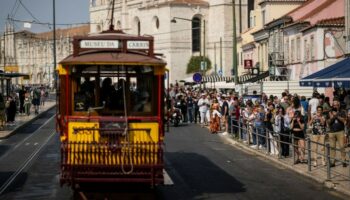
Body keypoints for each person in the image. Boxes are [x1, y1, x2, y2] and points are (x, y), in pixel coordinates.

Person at [327, 99, 348, 167]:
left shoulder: (342, 111)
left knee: (342, 146)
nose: (335, 106)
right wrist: (333, 116)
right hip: (332, 132)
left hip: (340, 131)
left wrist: (337, 116)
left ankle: (343, 161)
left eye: (336, 105)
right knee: (332, 147)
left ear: (339, 105)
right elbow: (329, 122)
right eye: (334, 105)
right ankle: (333, 162)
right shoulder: (330, 112)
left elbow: (344, 121)